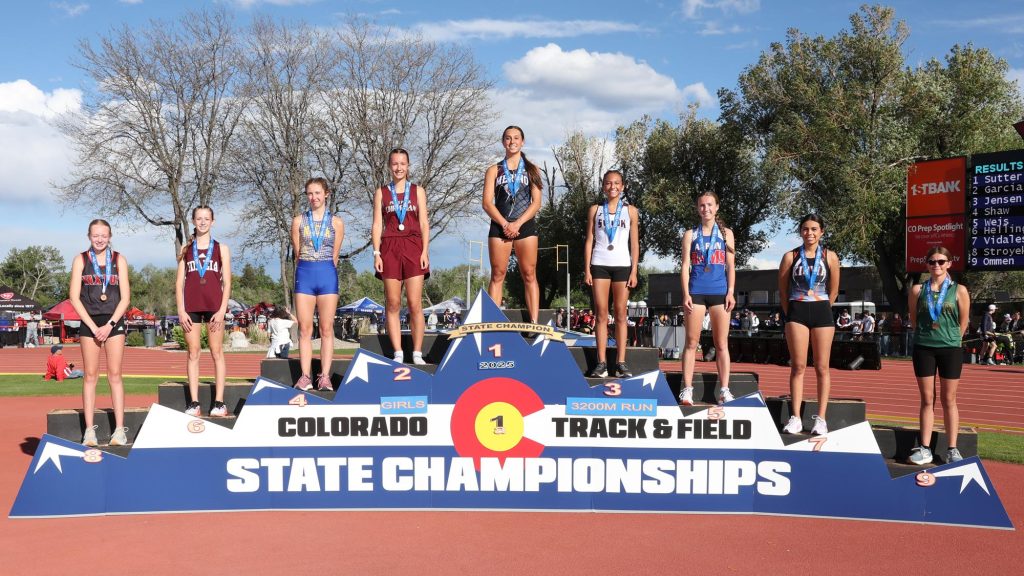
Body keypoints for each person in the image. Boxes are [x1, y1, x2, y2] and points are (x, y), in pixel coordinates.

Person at [69, 219, 130, 447]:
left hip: (113, 322)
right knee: (90, 376)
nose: (100, 239)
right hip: (90, 322)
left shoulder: (119, 260)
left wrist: (110, 324)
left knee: (115, 374)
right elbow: (74, 297)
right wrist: (93, 327)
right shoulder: (81, 260)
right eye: (96, 235)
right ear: (89, 236)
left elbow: (125, 298)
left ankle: (119, 430)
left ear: (110, 236)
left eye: (104, 235)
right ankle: (89, 432)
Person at [778, 214, 840, 436]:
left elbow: (834, 289)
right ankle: (795, 417)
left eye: (814, 229)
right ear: (800, 231)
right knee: (798, 366)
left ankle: (821, 419)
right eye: (805, 229)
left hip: (822, 311)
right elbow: (783, 291)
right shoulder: (790, 257)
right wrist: (790, 312)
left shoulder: (830, 256)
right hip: (797, 311)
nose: (810, 233)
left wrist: (823, 305)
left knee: (822, 367)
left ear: (821, 232)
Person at [908, 246, 970, 465]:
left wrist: (952, 338)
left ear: (949, 264)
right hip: (924, 347)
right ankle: (925, 448)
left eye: (941, 261)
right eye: (932, 262)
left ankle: (952, 448)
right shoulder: (917, 290)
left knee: (949, 400)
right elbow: (914, 320)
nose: (937, 265)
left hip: (950, 349)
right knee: (927, 399)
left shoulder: (959, 290)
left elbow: (963, 322)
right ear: (927, 265)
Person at [372, 148, 431, 365]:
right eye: (395, 164)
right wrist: (377, 252)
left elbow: (424, 223)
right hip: (389, 247)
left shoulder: (418, 191)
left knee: (415, 303)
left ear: (408, 166)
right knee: (393, 303)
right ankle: (397, 352)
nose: (399, 168)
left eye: (402, 164)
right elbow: (378, 224)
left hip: (414, 245)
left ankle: (416, 352)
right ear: (390, 166)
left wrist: (425, 251)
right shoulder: (381, 192)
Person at [679, 191, 737, 406]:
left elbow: (731, 265)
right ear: (697, 208)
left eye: (710, 205)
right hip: (696, 292)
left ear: (717, 207)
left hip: (720, 293)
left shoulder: (726, 234)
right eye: (702, 205)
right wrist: (685, 293)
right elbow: (685, 266)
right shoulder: (690, 234)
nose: (706, 209)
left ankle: (724, 390)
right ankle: (687, 390)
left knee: (721, 344)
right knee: (691, 343)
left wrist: (731, 291)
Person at [483, 125, 543, 328]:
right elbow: (487, 202)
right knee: (498, 275)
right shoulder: (494, 170)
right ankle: (493, 323)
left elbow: (536, 202)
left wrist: (517, 223)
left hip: (524, 226)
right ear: (503, 142)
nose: (512, 141)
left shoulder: (532, 169)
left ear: (522, 141)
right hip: (500, 226)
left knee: (529, 274)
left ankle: (534, 323)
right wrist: (505, 224)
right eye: (508, 138)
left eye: (516, 138)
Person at [175, 206, 232, 417]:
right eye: (199, 219)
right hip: (191, 308)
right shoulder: (186, 249)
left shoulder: (221, 248)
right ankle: (194, 403)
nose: (202, 222)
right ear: (193, 221)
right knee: (193, 353)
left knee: (217, 352)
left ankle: (219, 402)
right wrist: (181, 310)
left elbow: (227, 281)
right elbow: (179, 283)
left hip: (215, 308)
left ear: (213, 221)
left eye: (206, 219)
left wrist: (222, 309)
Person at [583, 170, 640, 377]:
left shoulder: (631, 211)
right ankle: (601, 363)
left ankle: (621, 362)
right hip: (599, 263)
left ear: (622, 186)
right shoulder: (595, 210)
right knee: (600, 314)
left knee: (621, 314)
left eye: (616, 183)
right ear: (603, 186)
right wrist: (587, 268)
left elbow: (634, 243)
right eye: (608, 183)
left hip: (623, 266)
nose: (612, 186)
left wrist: (634, 269)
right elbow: (589, 240)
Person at [292, 178, 345, 391]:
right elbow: (298, 253)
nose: (313, 197)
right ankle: (305, 376)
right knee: (304, 329)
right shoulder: (298, 221)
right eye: (309, 193)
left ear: (326, 194)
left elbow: (335, 255)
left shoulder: (336, 222)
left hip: (327, 275)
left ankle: (324, 376)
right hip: (305, 274)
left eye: (317, 193)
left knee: (326, 328)